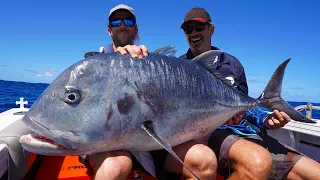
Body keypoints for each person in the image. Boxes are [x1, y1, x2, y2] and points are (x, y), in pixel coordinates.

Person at [118, 7, 320, 180]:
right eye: (188, 29)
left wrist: (265, 120)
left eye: (199, 27)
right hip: (215, 134)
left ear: (210, 29)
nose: (193, 32)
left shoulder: (231, 64)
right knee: (258, 162)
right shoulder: (176, 69)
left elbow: (244, 105)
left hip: (248, 133)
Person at [87, 4, 218, 180]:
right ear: (109, 30)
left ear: (136, 30)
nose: (122, 25)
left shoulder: (147, 61)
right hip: (110, 142)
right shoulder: (93, 62)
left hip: (150, 141)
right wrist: (116, 60)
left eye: (128, 20)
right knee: (115, 167)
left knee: (204, 158)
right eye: (116, 21)